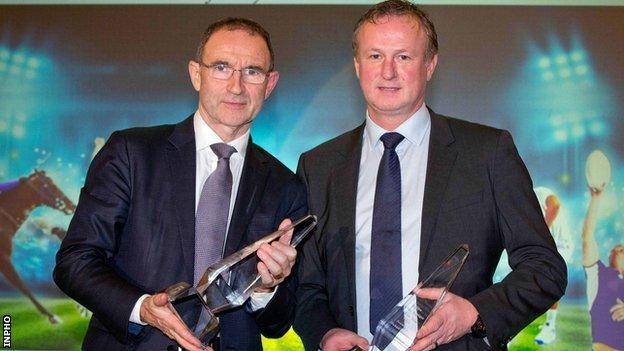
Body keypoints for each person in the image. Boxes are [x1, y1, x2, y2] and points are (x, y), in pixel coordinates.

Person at [293, 1, 567, 350]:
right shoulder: (318, 166)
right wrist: (325, 333)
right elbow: (307, 287)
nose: (388, 71)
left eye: (404, 57)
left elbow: (545, 268)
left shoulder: (488, 152)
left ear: (430, 65)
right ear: (357, 65)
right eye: (375, 56)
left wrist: (473, 313)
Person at [54, 17, 307, 351]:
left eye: (252, 71)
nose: (236, 86)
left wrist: (267, 288)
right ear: (195, 73)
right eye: (221, 67)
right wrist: (142, 307)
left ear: (269, 84)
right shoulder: (132, 153)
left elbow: (279, 322)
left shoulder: (286, 184)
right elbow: (75, 260)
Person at [582, 185, 624, 351]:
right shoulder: (599, 275)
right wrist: (596, 199)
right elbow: (587, 237)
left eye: (622, 250)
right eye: (614, 249)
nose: (616, 250)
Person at [532, 187, 573, 346]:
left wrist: (543, 233)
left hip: (561, 246)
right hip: (544, 247)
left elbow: (554, 205)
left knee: (550, 281)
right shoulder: (515, 204)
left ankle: (550, 327)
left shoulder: (539, 191)